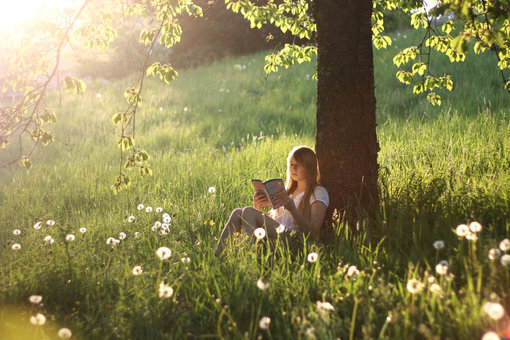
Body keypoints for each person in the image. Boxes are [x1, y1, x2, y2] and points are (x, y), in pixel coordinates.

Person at [215, 146, 329, 255]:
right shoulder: (288, 191)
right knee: (238, 213)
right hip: (277, 236)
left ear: (309, 167)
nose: (293, 168)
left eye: (298, 165)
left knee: (248, 211)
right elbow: (277, 221)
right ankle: (218, 256)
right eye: (291, 165)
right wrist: (258, 208)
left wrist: (293, 209)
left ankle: (253, 257)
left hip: (295, 240)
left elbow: (313, 234)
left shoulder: (318, 192)